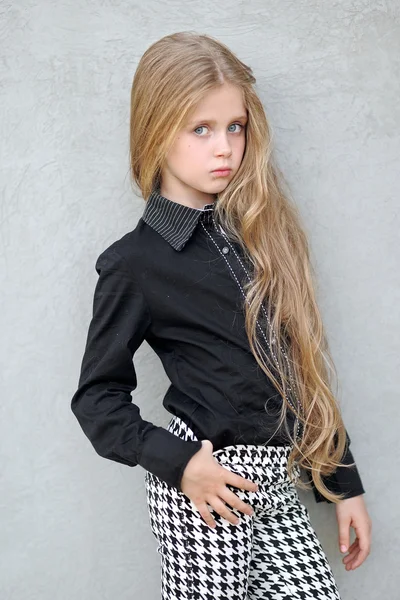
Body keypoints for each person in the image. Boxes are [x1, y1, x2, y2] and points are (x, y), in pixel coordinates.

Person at [70, 31, 372, 600]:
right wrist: (179, 463)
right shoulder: (134, 264)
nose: (224, 148)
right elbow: (96, 399)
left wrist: (343, 483)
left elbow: (296, 371)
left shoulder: (259, 239)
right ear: (156, 131)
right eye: (200, 128)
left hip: (278, 478)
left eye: (235, 126)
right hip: (204, 486)